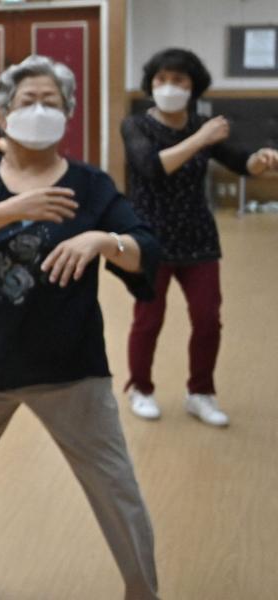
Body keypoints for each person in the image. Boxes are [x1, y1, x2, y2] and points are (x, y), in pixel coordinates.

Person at [0, 55, 160, 600]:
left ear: (68, 112)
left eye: (52, 101)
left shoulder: (90, 186)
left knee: (115, 485)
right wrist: (12, 207)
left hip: (68, 368)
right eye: (28, 101)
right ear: (1, 113)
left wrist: (103, 242)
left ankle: (143, 590)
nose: (40, 110)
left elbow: (147, 252)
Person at [122, 48, 278, 427]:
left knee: (208, 319)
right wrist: (200, 137)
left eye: (179, 81)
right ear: (150, 84)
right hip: (150, 237)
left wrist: (261, 160)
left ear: (193, 87)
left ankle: (201, 393)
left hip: (198, 237)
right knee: (148, 319)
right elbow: (151, 167)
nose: (169, 87)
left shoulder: (204, 126)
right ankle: (140, 388)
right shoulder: (136, 125)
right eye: (161, 80)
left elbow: (240, 161)